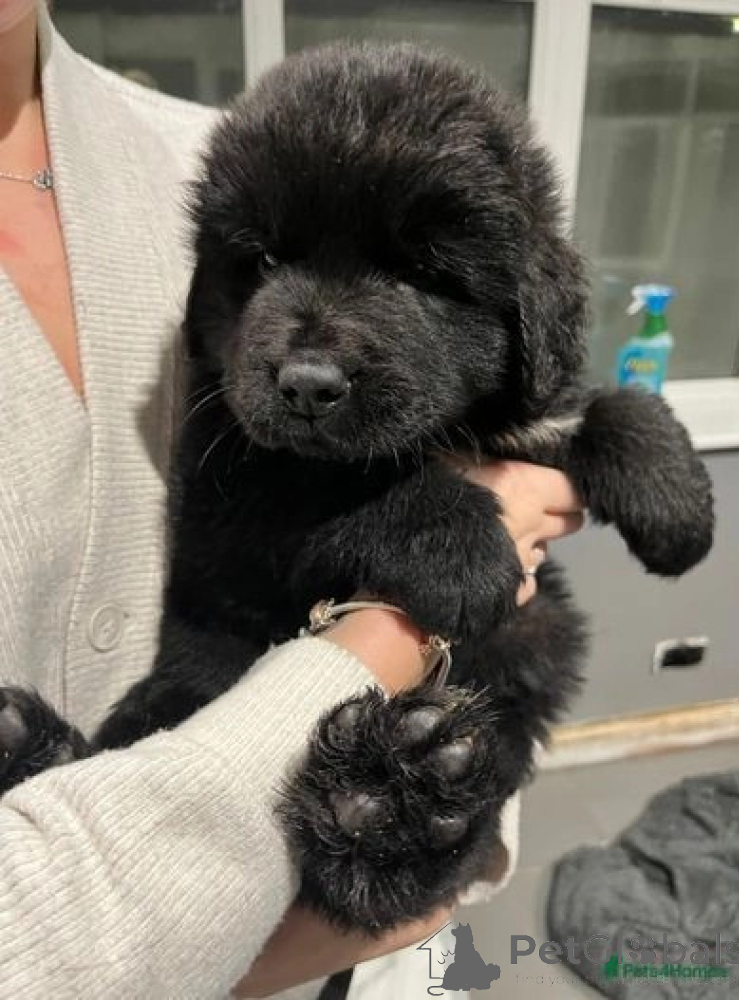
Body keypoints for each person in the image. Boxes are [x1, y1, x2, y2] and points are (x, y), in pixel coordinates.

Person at [0, 2, 585, 998]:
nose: (310, 359)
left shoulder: (209, 140)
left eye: (411, 275)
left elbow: (505, 541)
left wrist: (446, 794)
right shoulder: (247, 168)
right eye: (267, 265)